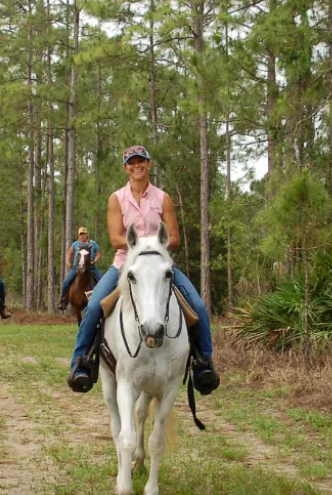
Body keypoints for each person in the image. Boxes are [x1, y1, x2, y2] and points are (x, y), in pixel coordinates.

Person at [66, 145, 220, 395]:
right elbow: (116, 239)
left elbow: (174, 238)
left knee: (198, 306)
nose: (136, 165)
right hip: (125, 264)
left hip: (160, 264)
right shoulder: (117, 199)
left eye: (141, 161)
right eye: (131, 162)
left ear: (149, 164)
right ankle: (81, 363)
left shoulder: (163, 198)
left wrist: (150, 246)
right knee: (93, 307)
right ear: (125, 168)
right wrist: (147, 243)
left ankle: (203, 364)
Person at [58, 226, 102, 311]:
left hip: (91, 268)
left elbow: (98, 254)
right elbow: (69, 254)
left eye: (84, 234)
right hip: (77, 268)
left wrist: (94, 261)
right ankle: (63, 301)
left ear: (87, 235)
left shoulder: (93, 244)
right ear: (78, 236)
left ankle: (104, 301)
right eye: (81, 234)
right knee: (66, 282)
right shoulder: (75, 244)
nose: (83, 236)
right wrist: (68, 262)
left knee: (102, 281)